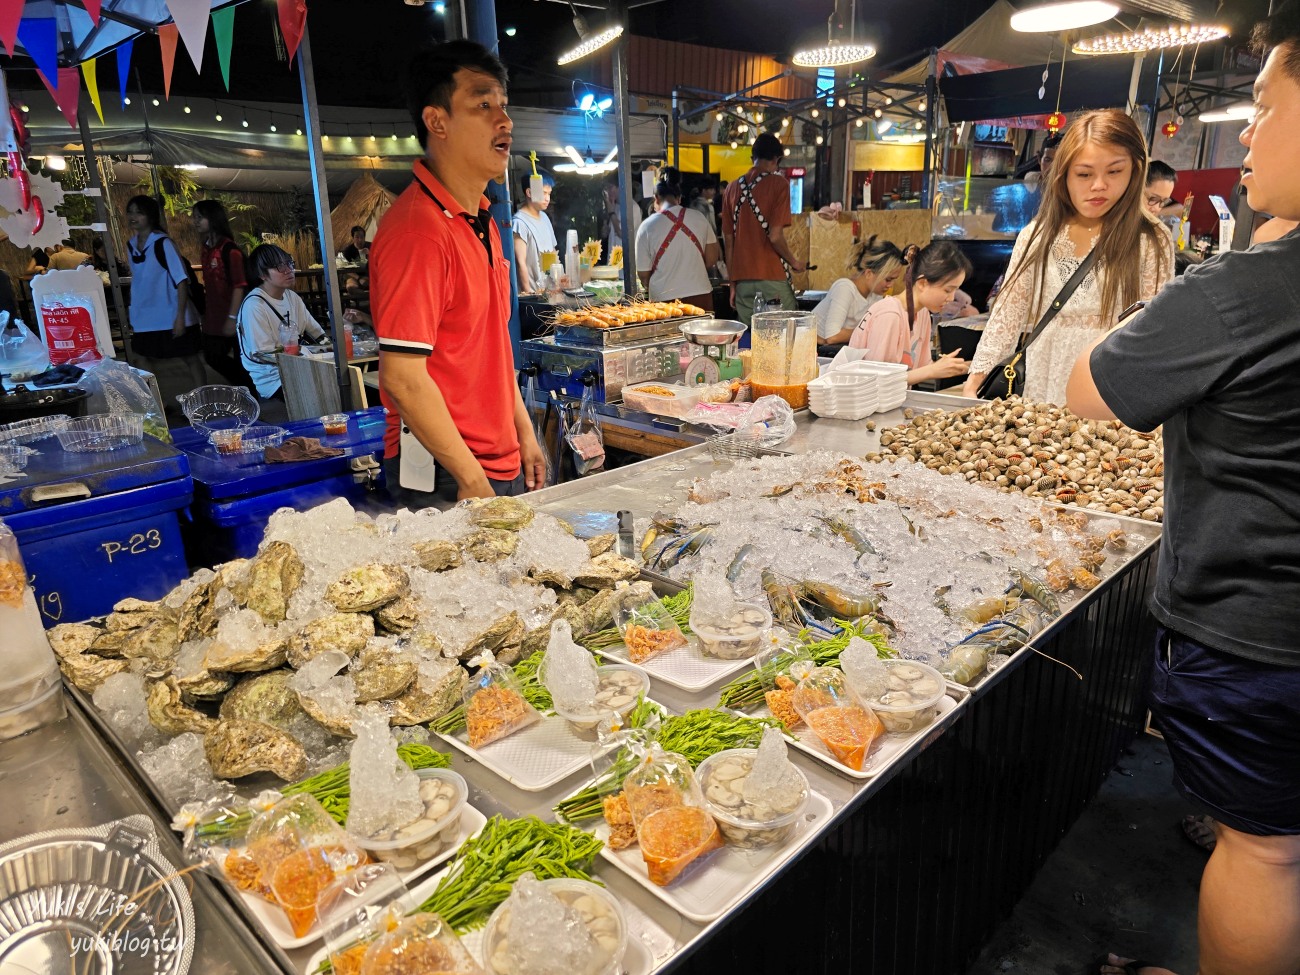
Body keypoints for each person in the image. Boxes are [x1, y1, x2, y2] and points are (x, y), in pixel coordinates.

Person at [1066, 10, 1300, 975]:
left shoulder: (1243, 287)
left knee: (1265, 847)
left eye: (1266, 106)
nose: (1244, 133)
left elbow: (1092, 389)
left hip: (1262, 630)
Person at [371, 40, 545, 509]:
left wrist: (524, 433)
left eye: (503, 106)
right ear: (437, 121)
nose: (504, 121)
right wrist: (469, 478)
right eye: (483, 105)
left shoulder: (482, 220)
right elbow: (403, 378)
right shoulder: (418, 230)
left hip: (495, 461)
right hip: (446, 475)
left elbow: (491, 348)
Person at [961, 109, 1174, 404]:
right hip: (1042, 374)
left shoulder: (1150, 238)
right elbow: (1008, 313)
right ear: (1064, 174)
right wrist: (975, 382)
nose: (1098, 185)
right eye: (1084, 174)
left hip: (1109, 381)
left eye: (1114, 171)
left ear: (1135, 170)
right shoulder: (1038, 235)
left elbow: (1153, 329)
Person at [848, 239, 972, 386]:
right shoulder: (890, 314)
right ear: (922, 283)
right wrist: (933, 370)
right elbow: (879, 382)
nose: (951, 298)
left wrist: (968, 366)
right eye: (947, 290)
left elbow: (921, 367)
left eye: (955, 290)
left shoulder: (923, 313)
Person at [721, 132, 807, 324]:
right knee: (783, 335)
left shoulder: (731, 189)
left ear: (753, 158)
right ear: (776, 159)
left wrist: (733, 283)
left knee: (748, 342)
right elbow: (775, 236)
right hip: (772, 277)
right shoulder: (779, 184)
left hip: (742, 280)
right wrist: (794, 262)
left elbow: (729, 242)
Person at [123, 194, 206, 388]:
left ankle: (203, 396)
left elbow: (182, 280)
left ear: (150, 216)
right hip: (146, 317)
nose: (133, 216)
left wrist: (179, 317)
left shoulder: (163, 243)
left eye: (139, 212)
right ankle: (157, 403)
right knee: (142, 359)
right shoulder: (131, 246)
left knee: (190, 358)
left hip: (170, 314)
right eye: (130, 212)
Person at [235, 244, 327, 410]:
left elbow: (318, 335)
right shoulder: (254, 305)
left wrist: (333, 345)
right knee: (328, 394)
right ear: (262, 274)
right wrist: (301, 352)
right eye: (279, 266)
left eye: (289, 263)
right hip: (273, 378)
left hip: (300, 367)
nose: (288, 270)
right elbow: (262, 354)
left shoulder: (292, 297)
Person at [191, 199, 254, 391]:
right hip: (215, 317)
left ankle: (249, 391)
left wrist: (232, 318)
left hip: (234, 315)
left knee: (235, 358)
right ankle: (246, 388)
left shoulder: (229, 250)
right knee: (212, 355)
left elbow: (239, 286)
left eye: (200, 217)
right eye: (195, 217)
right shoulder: (206, 249)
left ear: (213, 218)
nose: (196, 221)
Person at [634, 174, 719, 308]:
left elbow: (643, 274)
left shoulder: (646, 226)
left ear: (656, 199)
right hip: (700, 296)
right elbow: (712, 259)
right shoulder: (699, 217)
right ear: (679, 198)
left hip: (663, 301)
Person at [809, 235, 906, 345]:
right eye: (888, 279)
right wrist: (869, 330)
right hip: (811, 347)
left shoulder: (875, 295)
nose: (891, 285)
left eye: (894, 280)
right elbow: (832, 336)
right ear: (869, 273)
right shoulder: (845, 288)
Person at [511, 171, 557, 293]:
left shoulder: (545, 218)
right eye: (544, 193)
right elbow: (521, 263)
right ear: (529, 192)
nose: (547, 198)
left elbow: (552, 254)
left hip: (550, 293)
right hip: (533, 295)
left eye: (549, 193)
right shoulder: (519, 223)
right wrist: (528, 295)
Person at [601, 176, 642, 260]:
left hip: (625, 262)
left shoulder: (633, 208)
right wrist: (605, 231)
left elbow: (622, 234)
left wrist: (611, 213)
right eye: (606, 188)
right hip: (613, 261)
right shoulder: (615, 206)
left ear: (619, 187)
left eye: (610, 187)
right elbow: (609, 233)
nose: (608, 191)